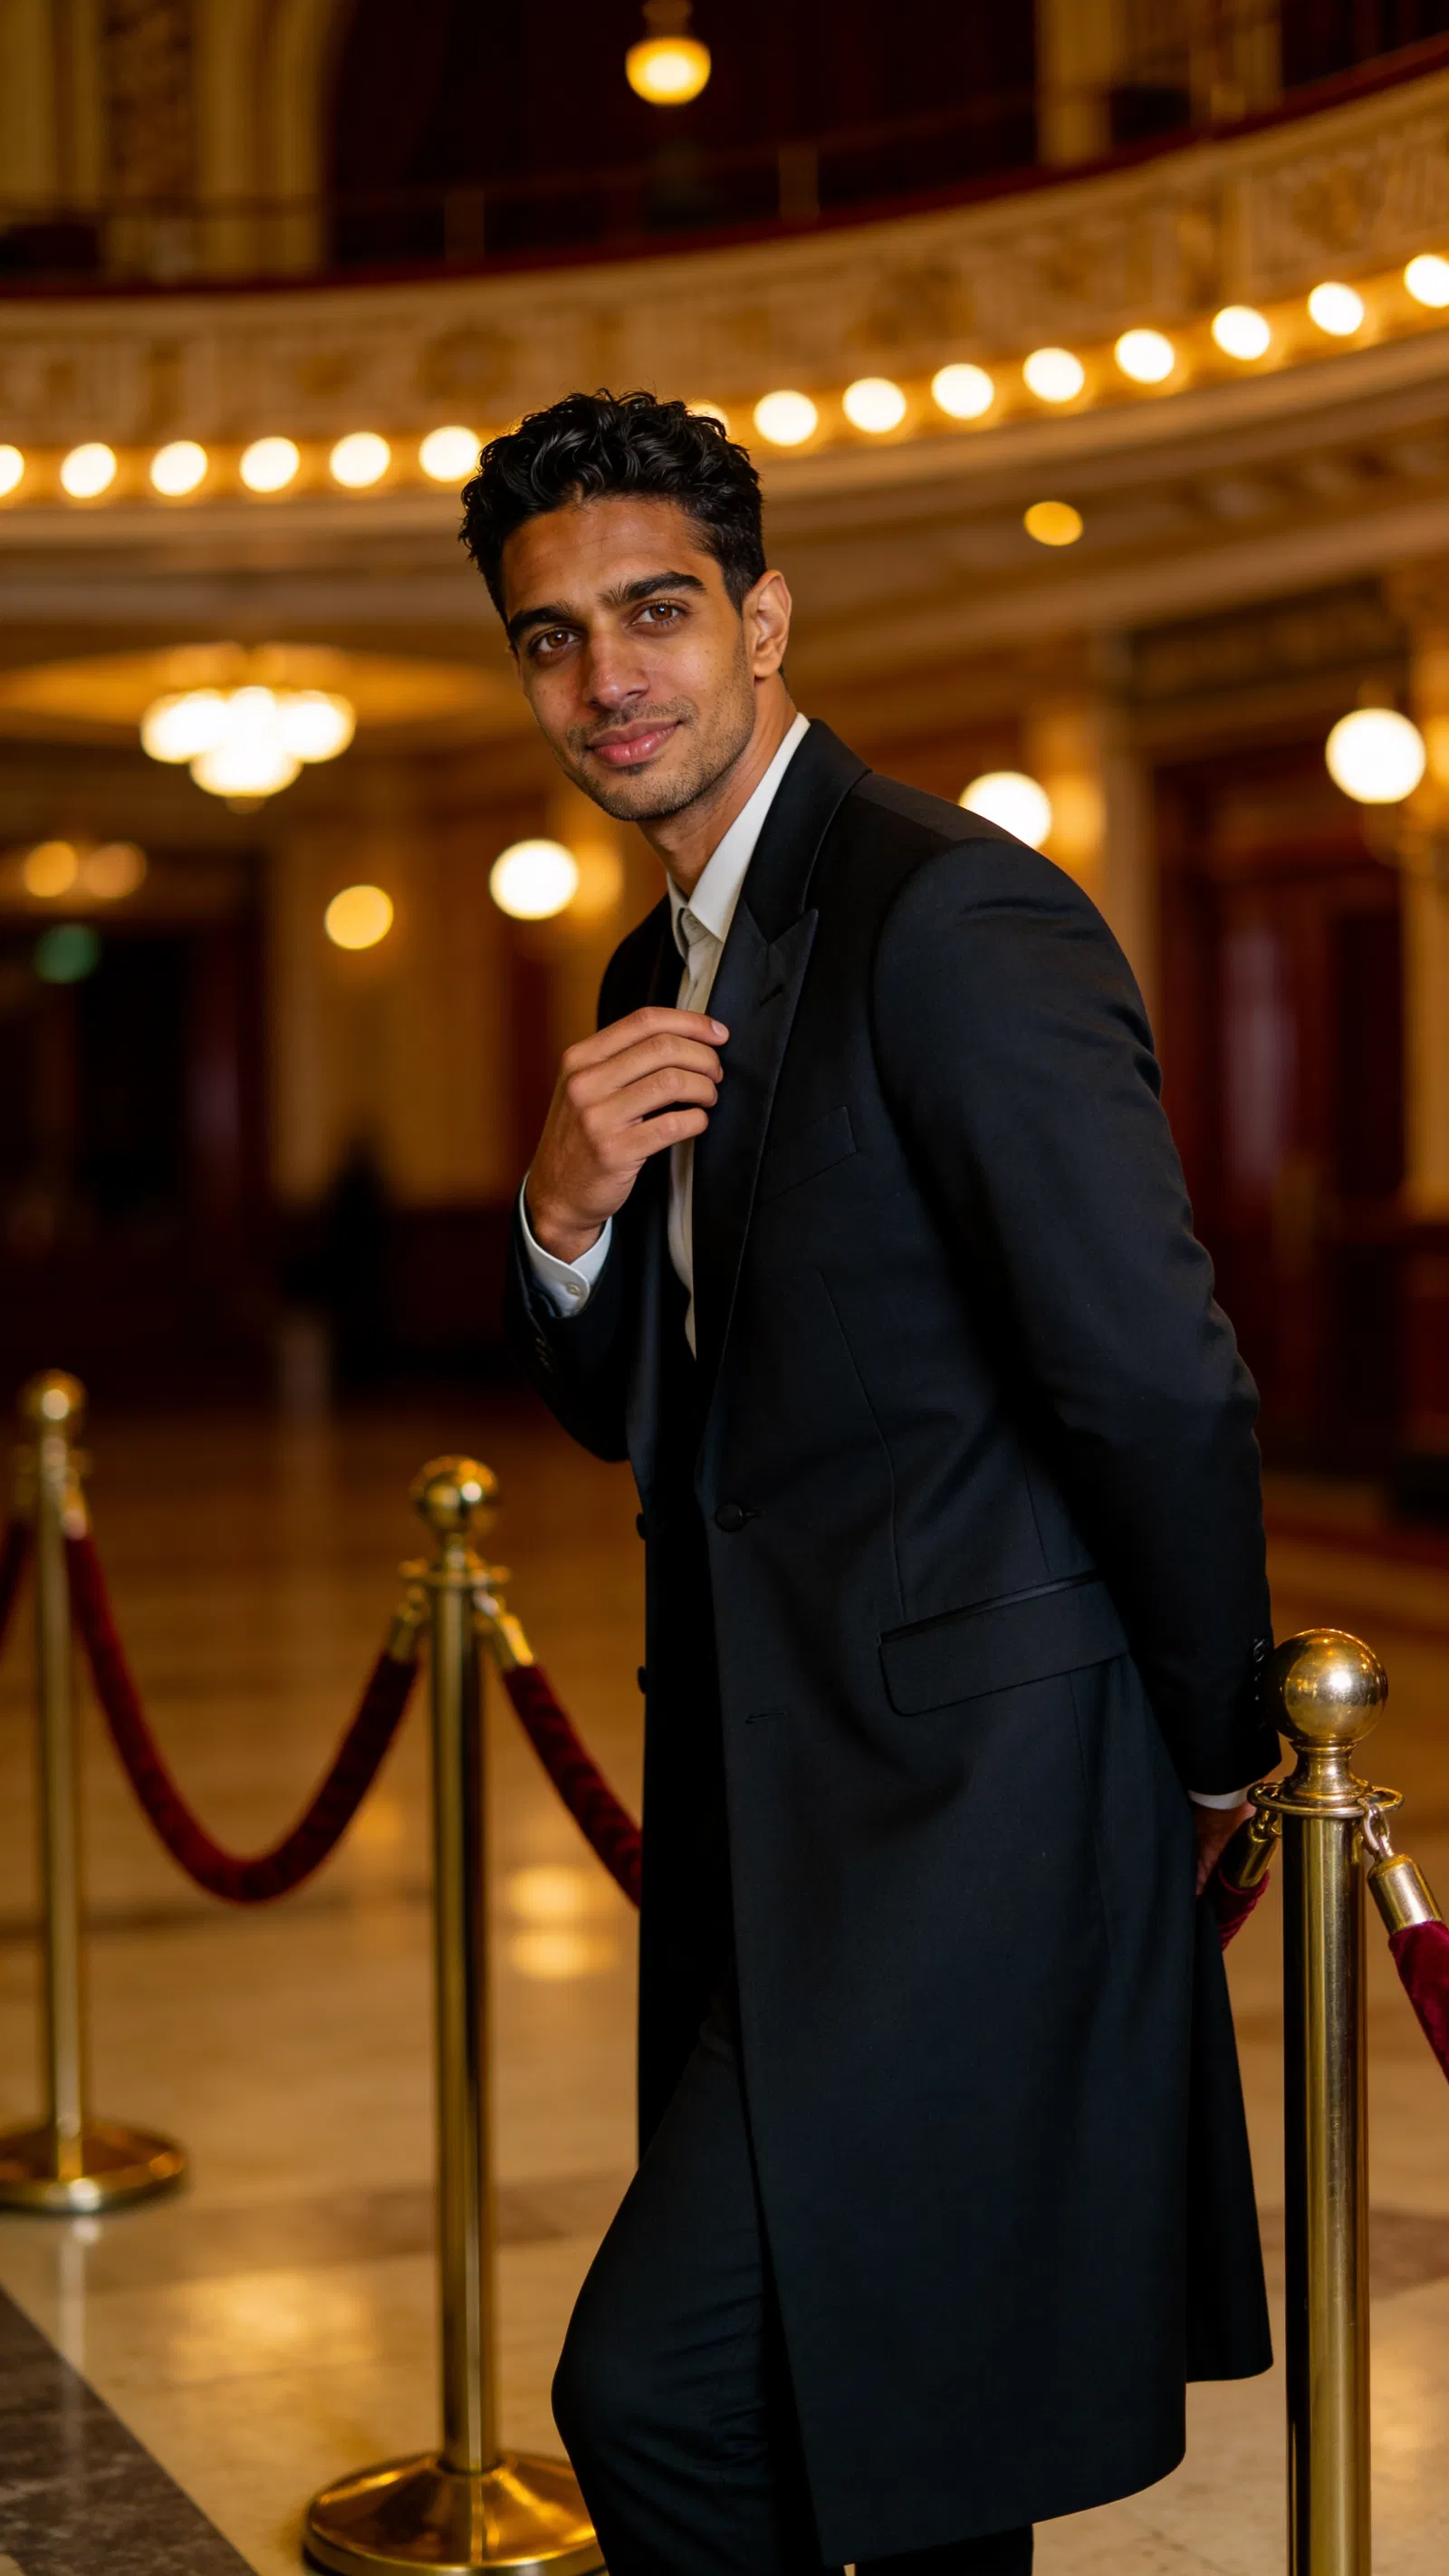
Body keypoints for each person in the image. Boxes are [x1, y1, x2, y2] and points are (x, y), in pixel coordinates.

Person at [458, 391, 1278, 2576]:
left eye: (654, 609)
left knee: (654, 2391)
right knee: (896, 2419)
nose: (604, 674)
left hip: (973, 1815)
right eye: (548, 637)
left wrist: (1217, 1745)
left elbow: (1151, 1380)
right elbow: (653, 1410)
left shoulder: (949, 918)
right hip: (771, 1795)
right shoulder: (651, 972)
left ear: (766, 615)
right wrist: (557, 1212)